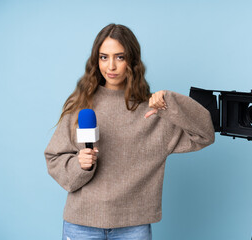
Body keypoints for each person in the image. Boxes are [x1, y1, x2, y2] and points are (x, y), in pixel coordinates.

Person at [45, 23, 215, 240]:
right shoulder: (81, 105)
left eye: (120, 57)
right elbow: (54, 158)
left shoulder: (154, 111)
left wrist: (171, 102)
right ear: (96, 61)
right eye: (104, 57)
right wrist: (80, 165)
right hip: (81, 224)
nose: (111, 66)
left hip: (133, 228)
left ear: (132, 61)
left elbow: (205, 134)